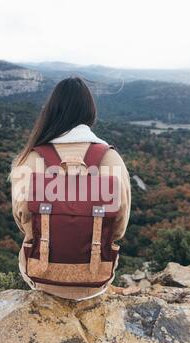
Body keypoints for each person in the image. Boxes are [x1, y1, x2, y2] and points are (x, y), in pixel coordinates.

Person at [10, 77, 131, 300]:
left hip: (40, 275)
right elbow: (119, 227)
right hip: (96, 278)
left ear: (52, 111)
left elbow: (22, 219)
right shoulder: (111, 159)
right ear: (90, 112)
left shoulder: (29, 159)